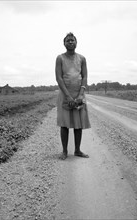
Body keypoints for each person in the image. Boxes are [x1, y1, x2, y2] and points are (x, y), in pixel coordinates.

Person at [55, 32, 91, 160]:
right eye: (68, 40)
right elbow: (59, 78)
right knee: (64, 124)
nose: (70, 42)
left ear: (76, 42)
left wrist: (81, 94)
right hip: (65, 95)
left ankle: (77, 150)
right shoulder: (60, 58)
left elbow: (85, 77)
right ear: (64, 43)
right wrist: (68, 96)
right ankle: (64, 151)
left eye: (73, 40)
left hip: (79, 95)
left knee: (78, 124)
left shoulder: (82, 58)